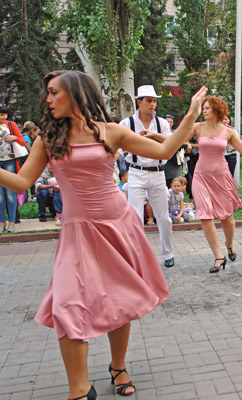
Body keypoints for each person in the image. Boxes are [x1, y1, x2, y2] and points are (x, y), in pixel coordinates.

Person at [0, 70, 206, 400]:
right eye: (47, 94)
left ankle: (118, 366)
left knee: (118, 298)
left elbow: (166, 149)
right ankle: (79, 389)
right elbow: (22, 183)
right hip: (76, 231)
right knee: (66, 305)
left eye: (54, 92)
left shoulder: (111, 132)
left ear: (76, 93)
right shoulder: (48, 139)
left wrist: (192, 114)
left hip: (116, 223)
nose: (48, 99)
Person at [185, 96, 242, 273]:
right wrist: (155, 136)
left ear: (217, 110)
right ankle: (219, 256)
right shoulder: (197, 127)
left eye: (208, 108)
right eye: (203, 107)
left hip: (222, 178)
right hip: (201, 177)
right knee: (205, 216)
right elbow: (175, 138)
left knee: (227, 219)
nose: (204, 110)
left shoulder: (228, 131)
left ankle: (230, 245)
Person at [119, 85, 176, 268]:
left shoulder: (162, 123)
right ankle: (137, 255)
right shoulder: (127, 123)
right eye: (149, 100)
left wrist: (153, 134)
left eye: (154, 101)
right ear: (139, 102)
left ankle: (168, 254)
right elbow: (118, 147)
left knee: (164, 217)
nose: (153, 104)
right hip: (136, 172)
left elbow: (172, 143)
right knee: (135, 216)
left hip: (158, 172)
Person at [0, 105, 27, 233]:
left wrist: (14, 137)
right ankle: (1, 222)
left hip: (9, 160)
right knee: (0, 195)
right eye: (1, 114)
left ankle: (12, 222)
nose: (3, 117)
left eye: (5, 114)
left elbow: (22, 141)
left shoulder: (11, 124)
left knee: (10, 193)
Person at [163, 114, 185, 189]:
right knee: (166, 182)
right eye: (167, 121)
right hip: (165, 160)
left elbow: (181, 143)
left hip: (175, 160)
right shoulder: (159, 132)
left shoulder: (177, 132)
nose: (169, 123)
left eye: (171, 122)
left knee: (176, 181)